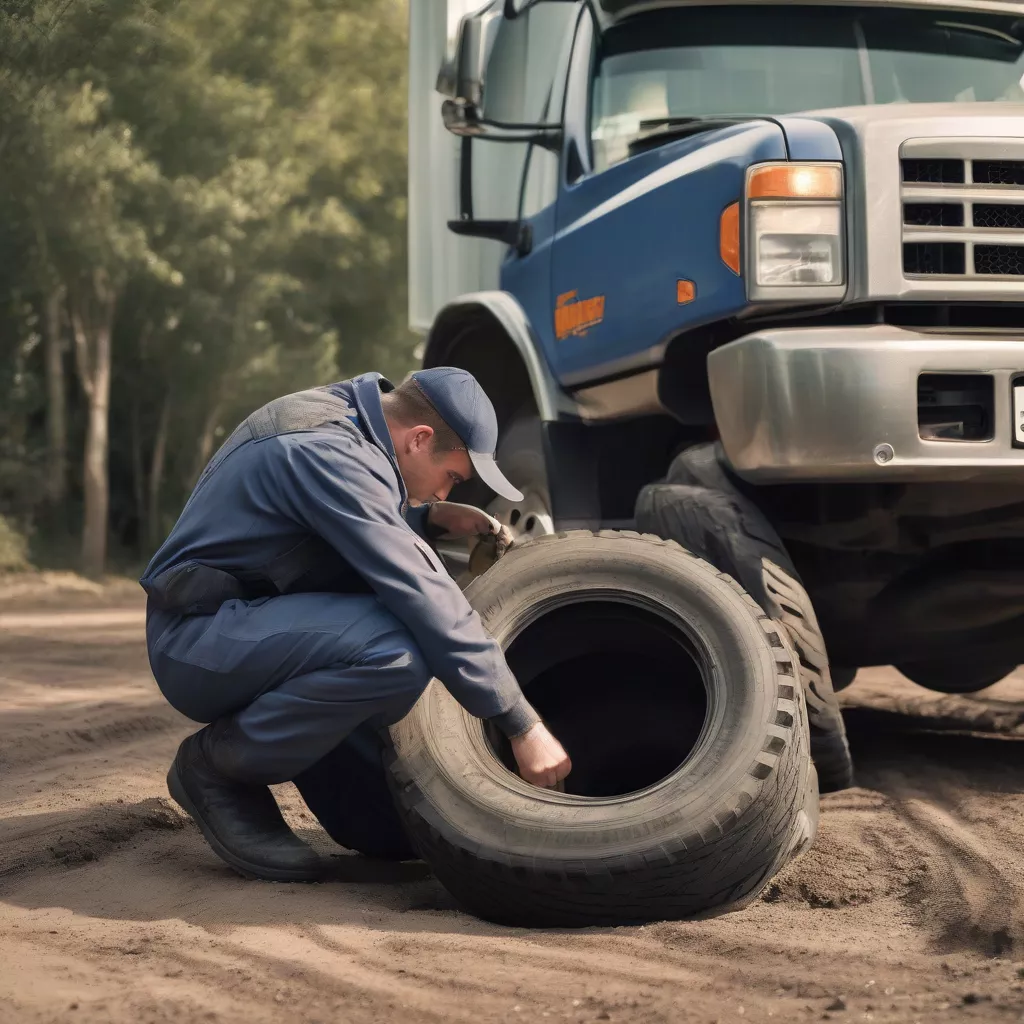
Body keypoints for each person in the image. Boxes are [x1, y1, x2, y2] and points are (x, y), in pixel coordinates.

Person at [140, 367, 572, 881]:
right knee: (395, 648)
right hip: (198, 640)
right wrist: (522, 723)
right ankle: (216, 771)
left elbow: (310, 525)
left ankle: (331, 796)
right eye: (452, 477)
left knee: (386, 830)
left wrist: (426, 522)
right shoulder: (326, 451)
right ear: (419, 439)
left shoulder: (348, 420)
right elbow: (422, 592)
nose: (443, 491)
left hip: (251, 624)